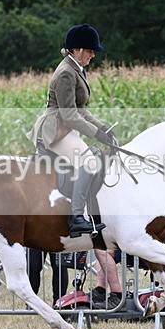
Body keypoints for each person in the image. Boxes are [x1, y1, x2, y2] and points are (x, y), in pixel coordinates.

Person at [29, 23, 117, 238]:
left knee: (96, 156)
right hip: (57, 129)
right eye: (89, 51)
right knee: (91, 162)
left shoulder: (77, 70)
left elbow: (82, 111)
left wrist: (103, 128)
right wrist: (97, 134)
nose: (92, 55)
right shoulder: (66, 74)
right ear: (76, 49)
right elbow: (69, 115)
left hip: (68, 127)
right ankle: (76, 218)